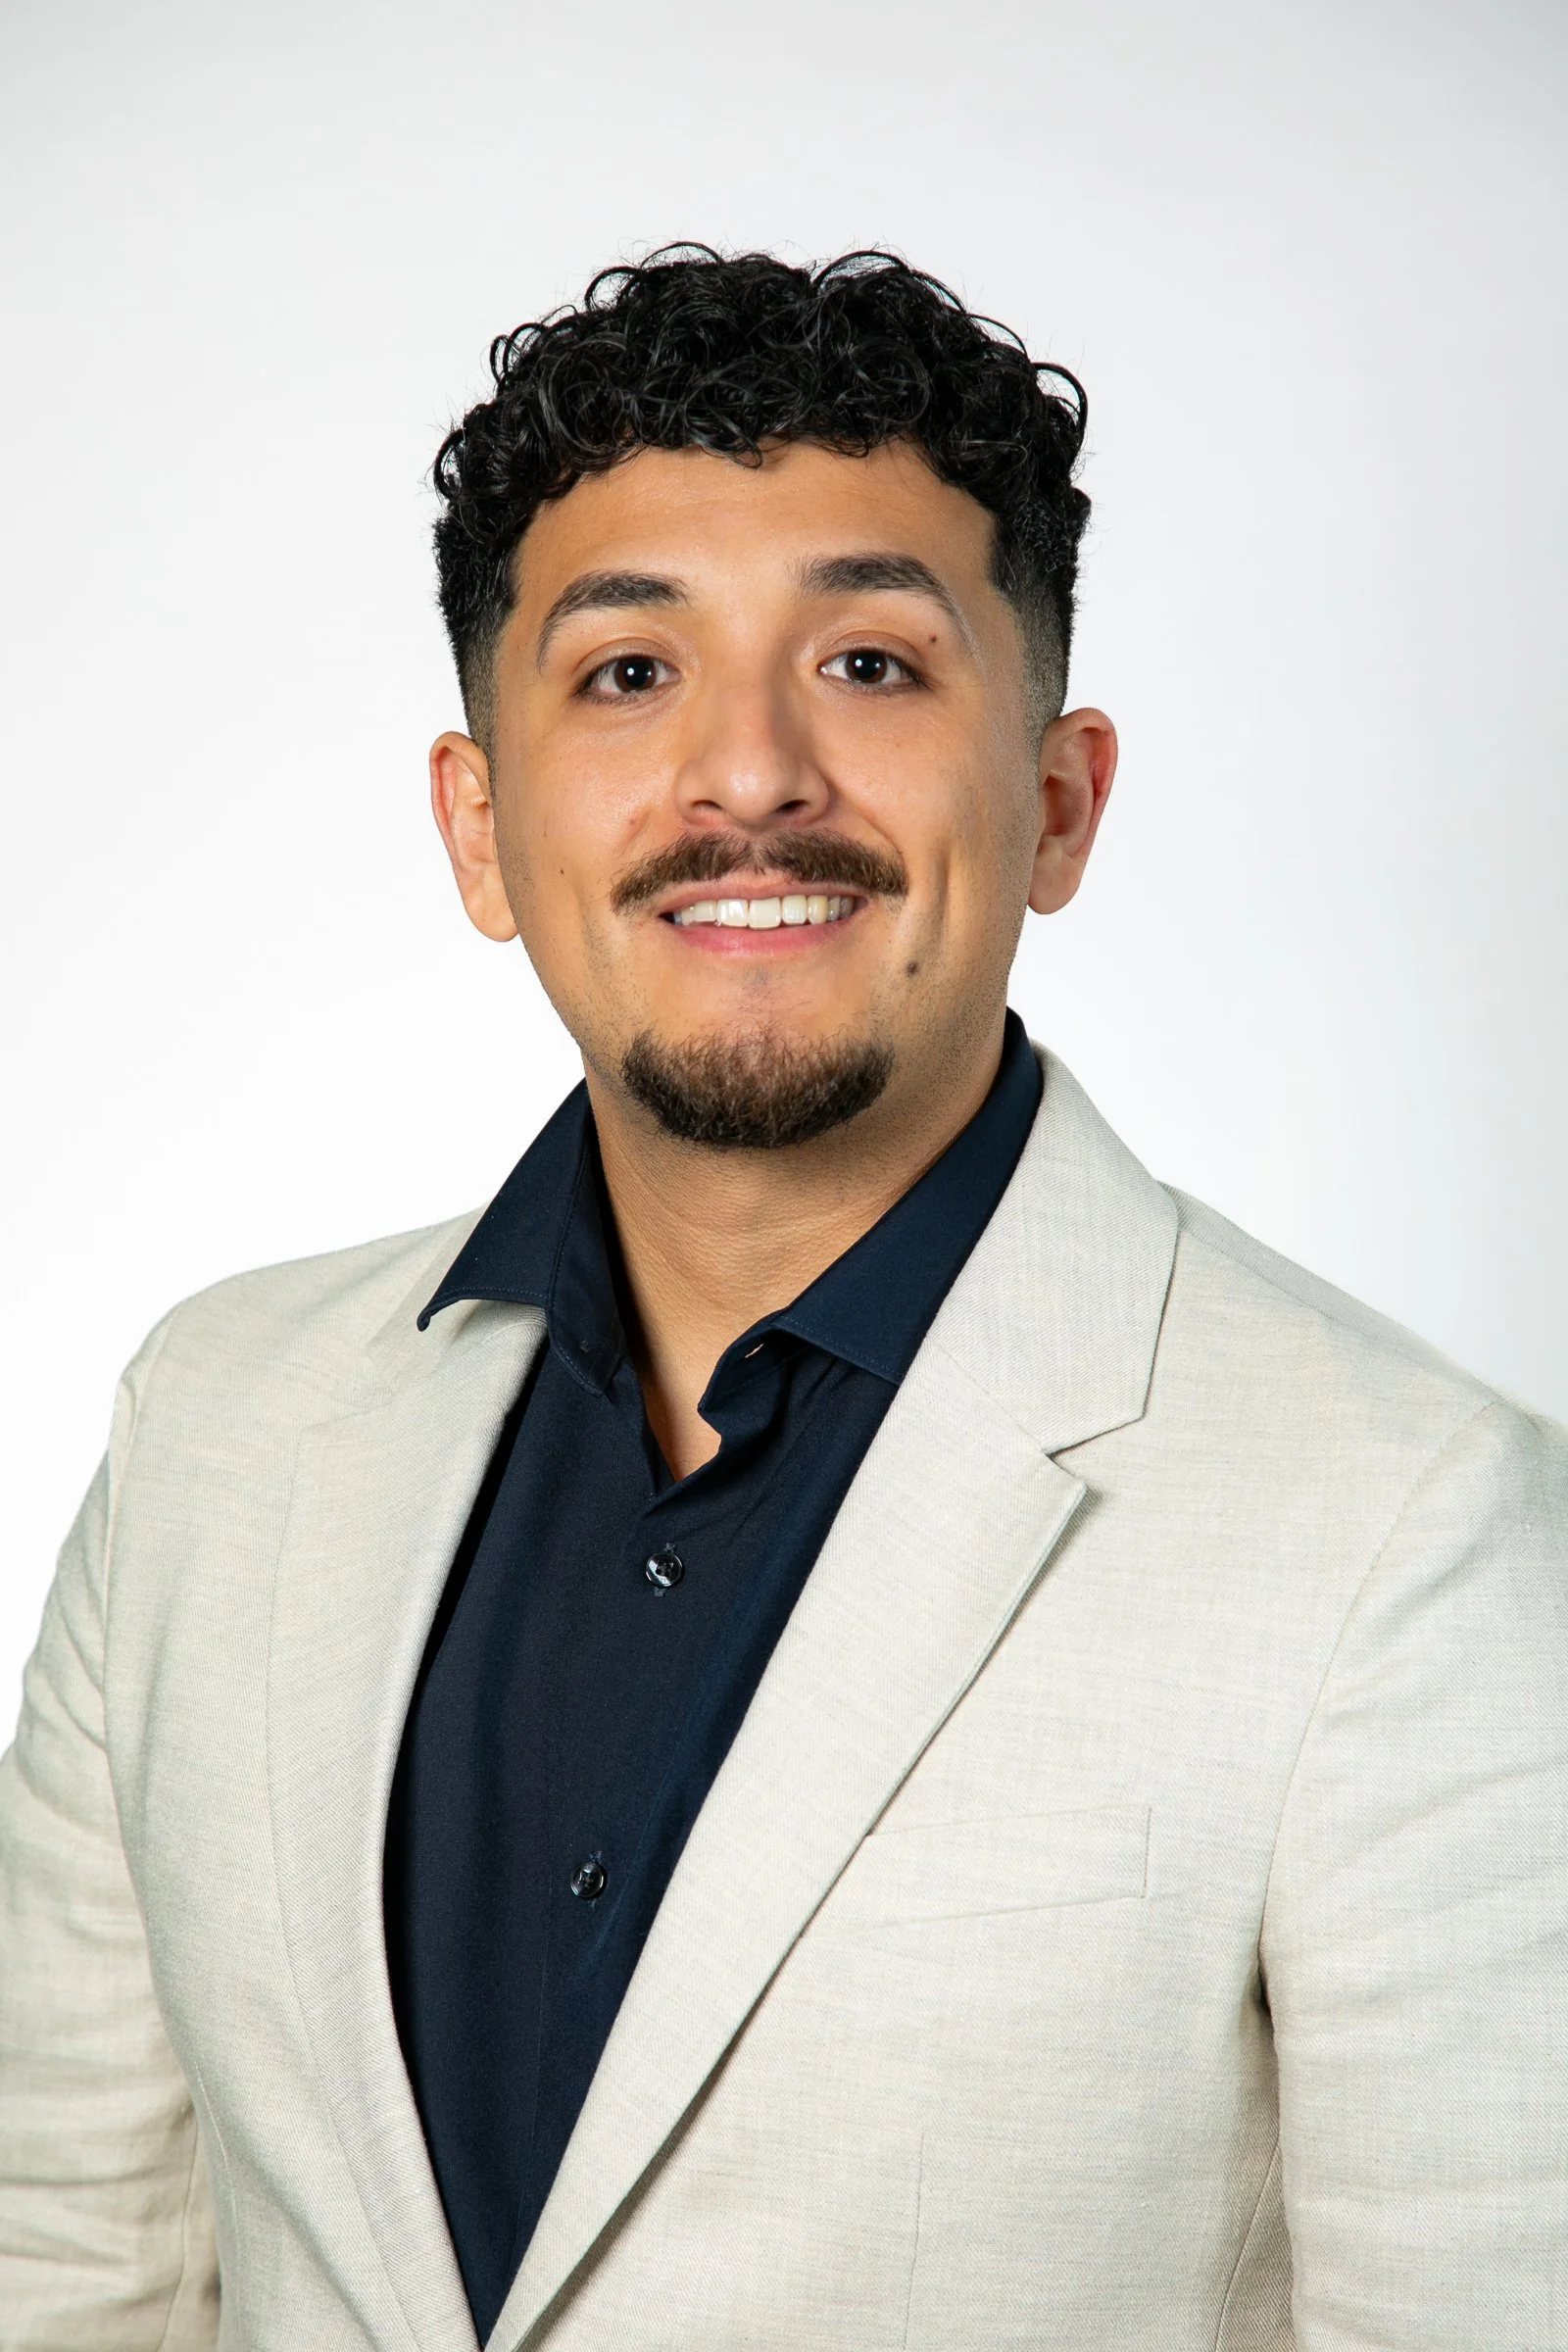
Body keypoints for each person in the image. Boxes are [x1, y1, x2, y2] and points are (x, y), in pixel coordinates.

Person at [0, 247, 1563, 2352]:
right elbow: (72, 2266)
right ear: (480, 827)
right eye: (627, 675)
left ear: (1056, 800)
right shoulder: (213, 1427)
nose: (746, 777)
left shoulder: (1412, 1532)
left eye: (871, 666)